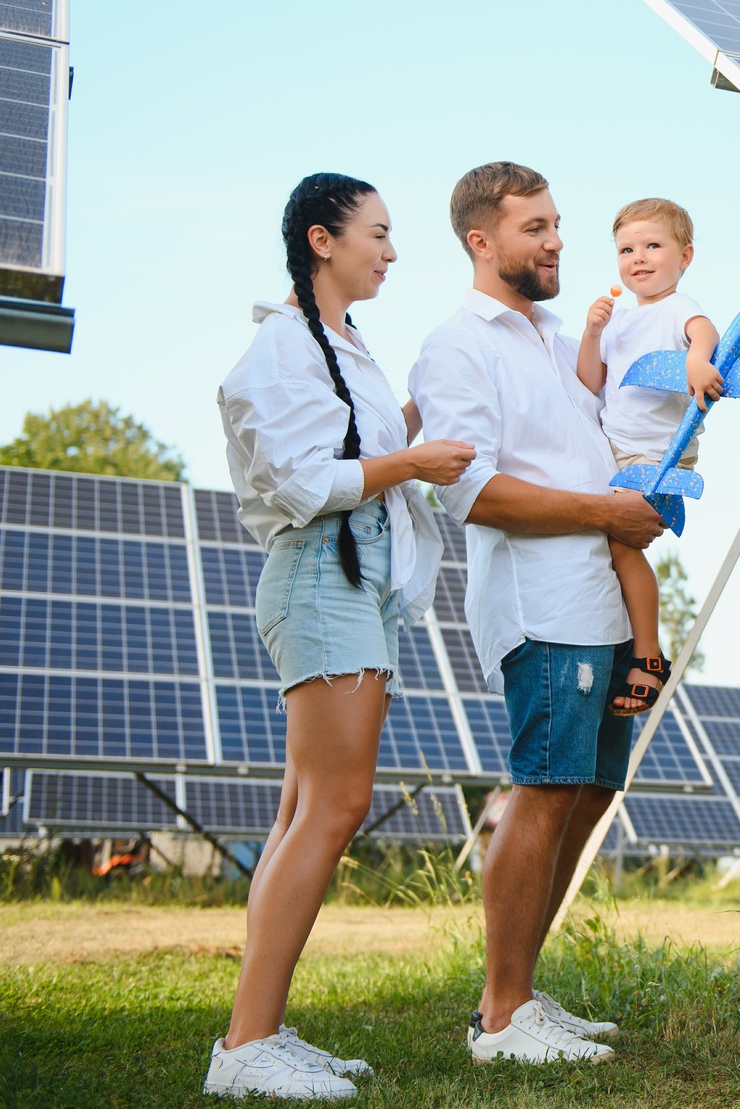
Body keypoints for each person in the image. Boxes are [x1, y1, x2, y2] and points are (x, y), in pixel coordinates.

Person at [207, 173, 476, 1100]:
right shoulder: (282, 346)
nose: (392, 251)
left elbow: (350, 445)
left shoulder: (341, 345)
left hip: (349, 583)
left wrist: (417, 423)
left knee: (301, 814)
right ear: (323, 240)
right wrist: (412, 459)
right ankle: (245, 1047)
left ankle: (261, 1030)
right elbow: (300, 479)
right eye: (380, 233)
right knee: (332, 807)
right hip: (322, 575)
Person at [409, 161, 667, 1065]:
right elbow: (470, 492)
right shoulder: (457, 347)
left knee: (589, 794)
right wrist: (605, 513)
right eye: (535, 228)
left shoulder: (563, 340)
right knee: (546, 789)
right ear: (482, 242)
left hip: (603, 601)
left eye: (558, 223)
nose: (557, 240)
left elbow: (605, 443)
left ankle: (518, 996)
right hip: (543, 604)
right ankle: (502, 1014)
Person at [574, 197, 722, 700]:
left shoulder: (678, 308)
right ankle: (624, 647)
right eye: (626, 249)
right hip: (613, 453)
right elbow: (590, 381)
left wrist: (699, 361)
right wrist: (592, 333)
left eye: (653, 246)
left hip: (656, 457)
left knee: (621, 542)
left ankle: (648, 656)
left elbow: (703, 331)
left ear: (685, 257)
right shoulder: (617, 321)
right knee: (604, 547)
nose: (638, 257)